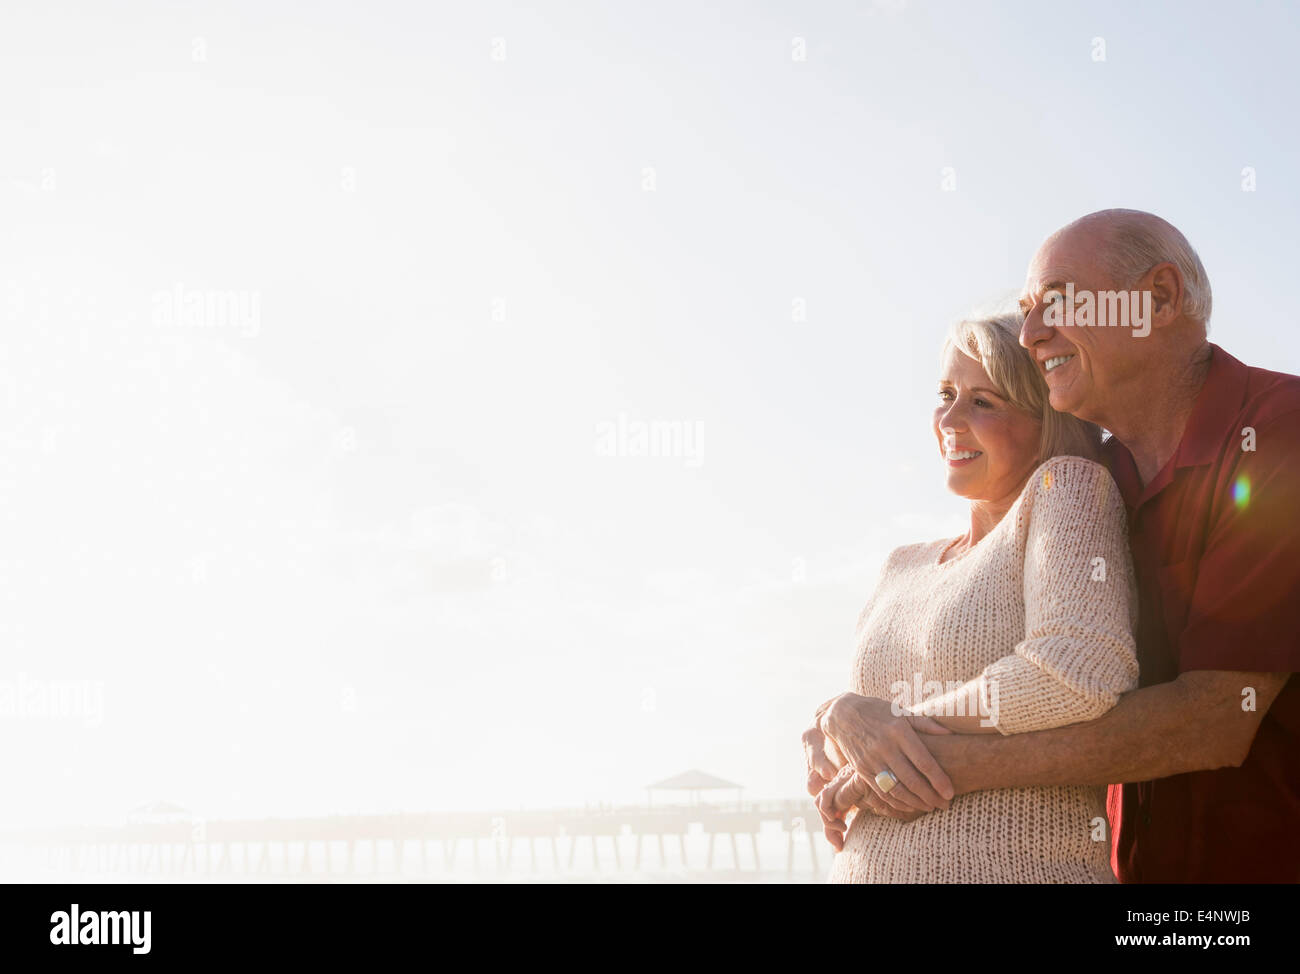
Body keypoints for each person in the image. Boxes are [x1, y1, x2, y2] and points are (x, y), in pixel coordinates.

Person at [813, 209, 1300, 883]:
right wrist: (844, 722)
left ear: (1157, 300)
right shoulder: (1111, 479)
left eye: (1060, 301)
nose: (1035, 331)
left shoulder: (1278, 435)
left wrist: (899, 756)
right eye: (1027, 309)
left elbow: (1213, 719)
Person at [814, 311, 1139, 883]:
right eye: (945, 393)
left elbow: (1078, 668)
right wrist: (832, 726)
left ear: (1047, 420)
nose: (950, 420)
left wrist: (888, 729)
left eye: (985, 402)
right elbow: (871, 739)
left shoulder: (1064, 488)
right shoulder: (900, 565)